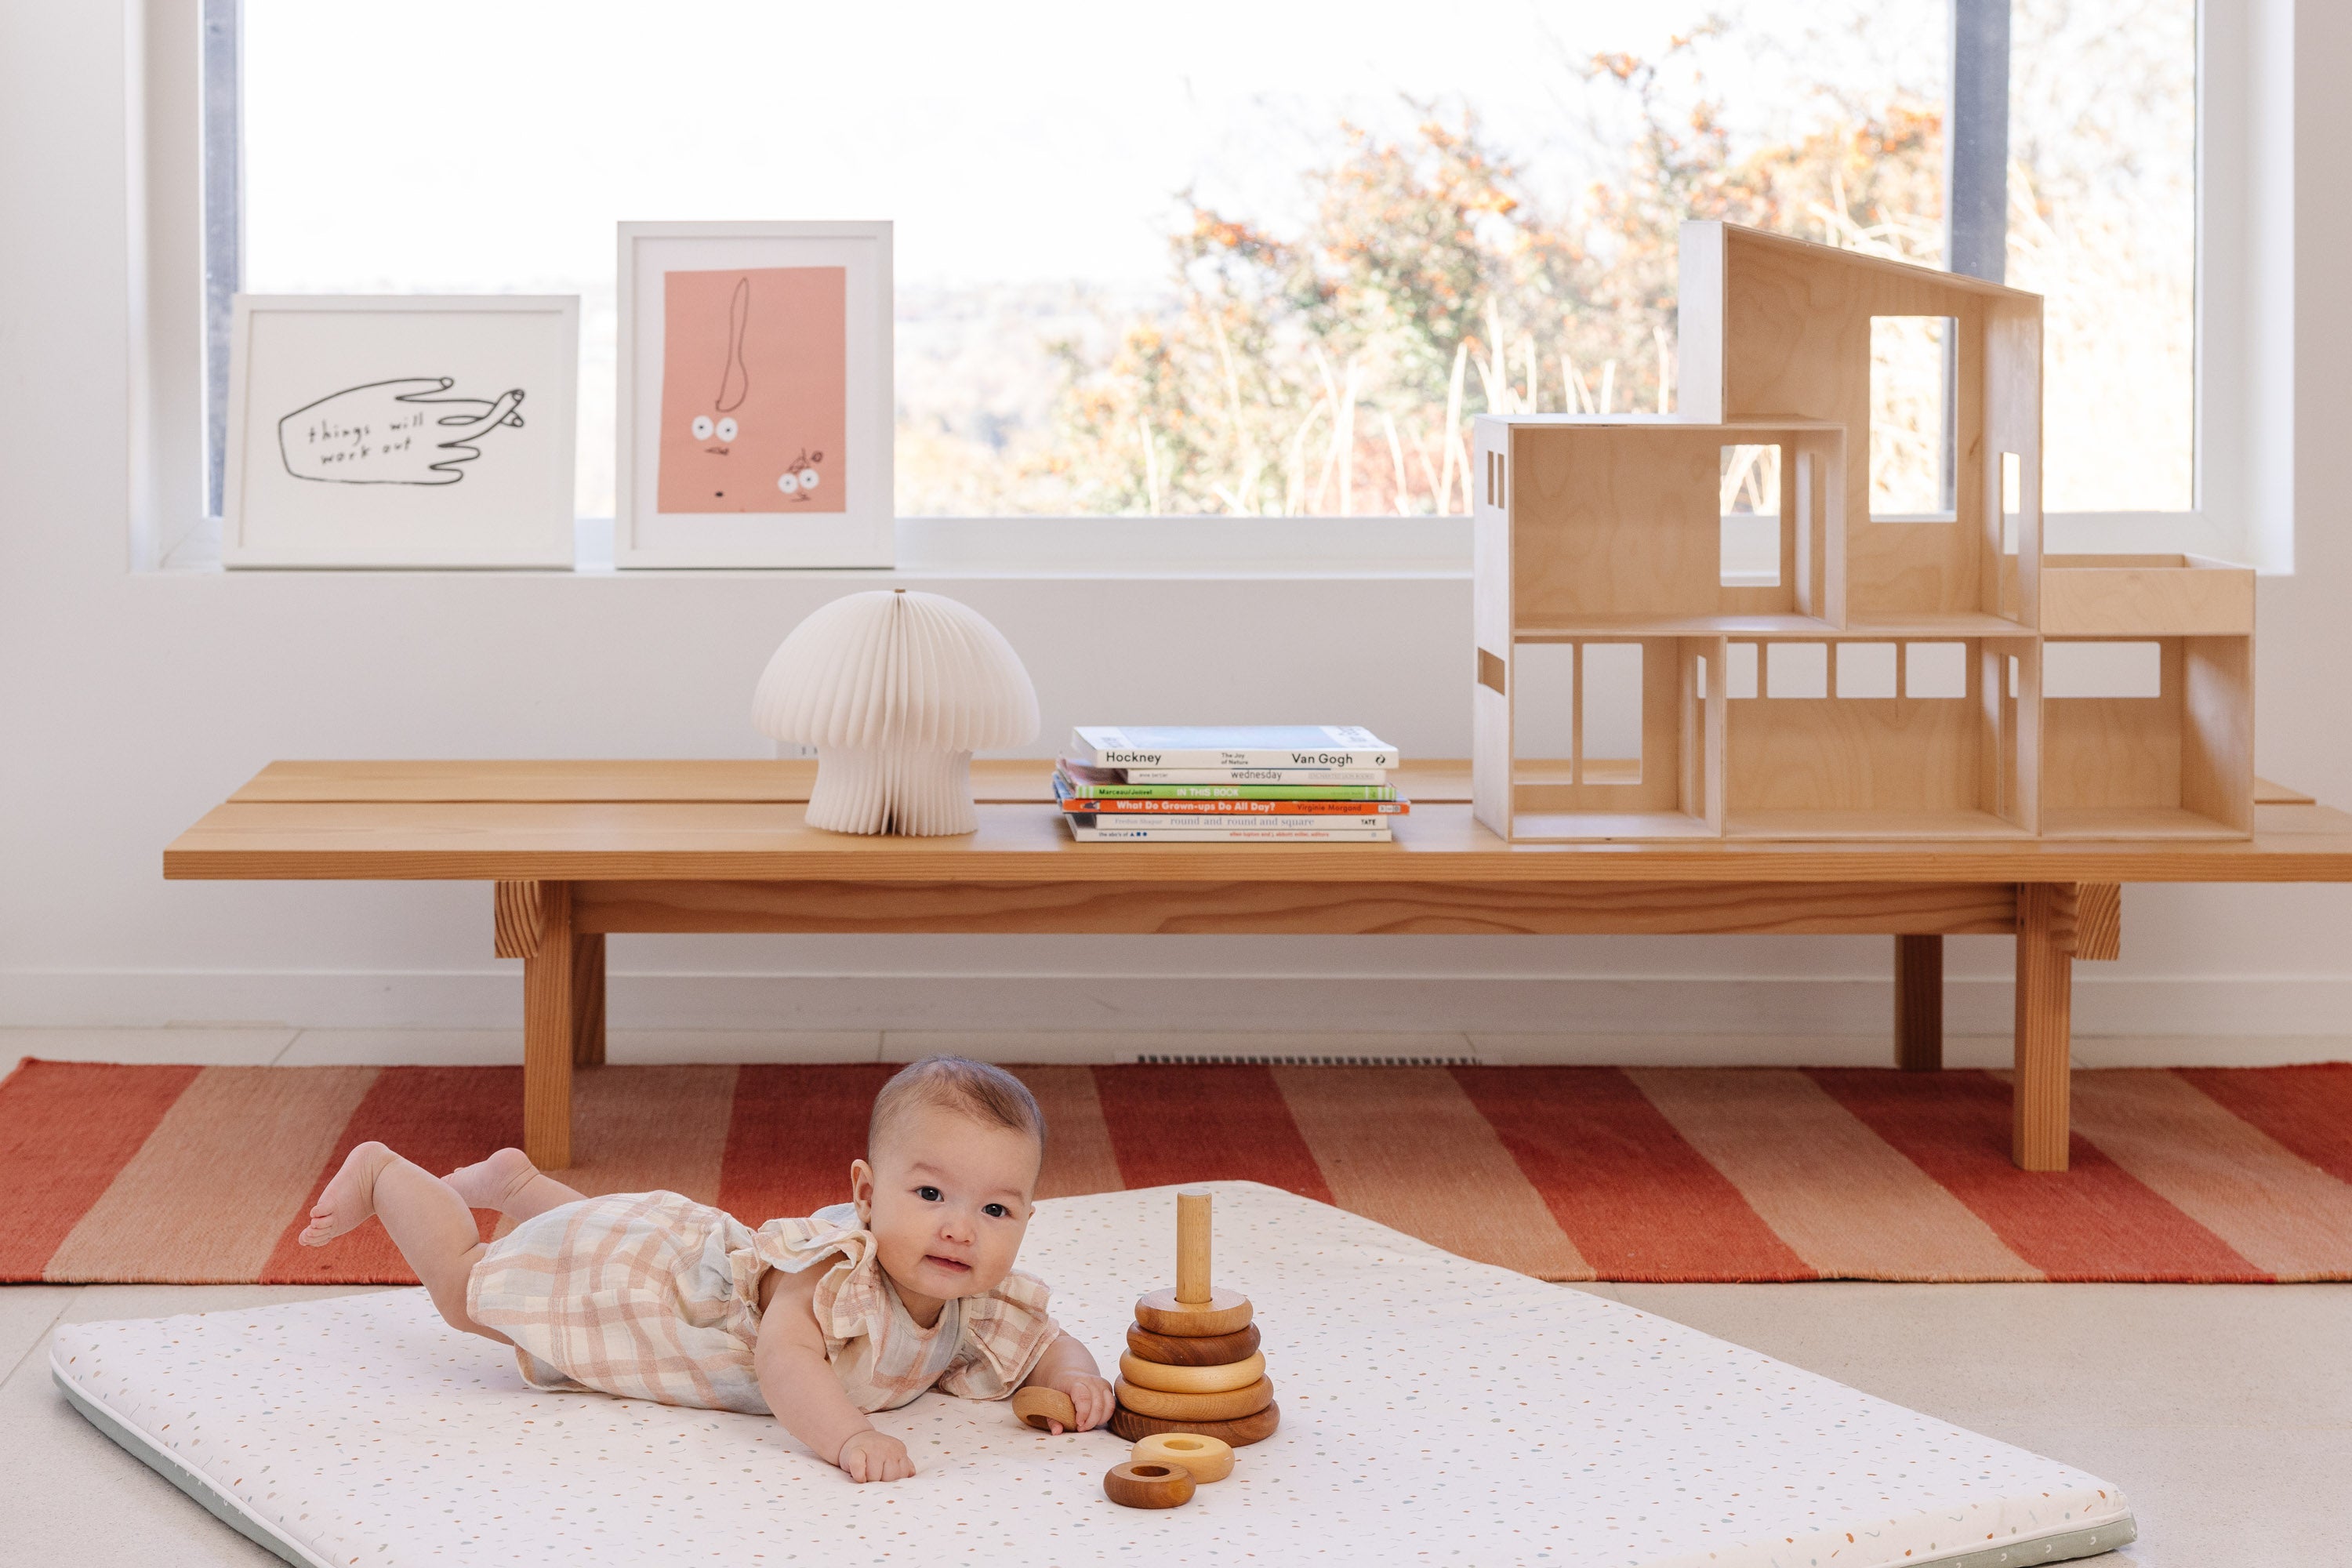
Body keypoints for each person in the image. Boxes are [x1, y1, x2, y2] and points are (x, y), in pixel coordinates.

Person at [296, 1055, 1114, 1482]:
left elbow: (1044, 1341)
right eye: (931, 1191)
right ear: (866, 1193)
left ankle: (514, 1182)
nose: (959, 1227)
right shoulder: (838, 1278)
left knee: (575, 1230)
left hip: (668, 1254)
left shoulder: (975, 1295)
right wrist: (850, 1433)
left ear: (1025, 1220)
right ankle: (385, 1171)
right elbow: (784, 1359)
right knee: (471, 1290)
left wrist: (1076, 1380)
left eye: (995, 1210)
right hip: (658, 1296)